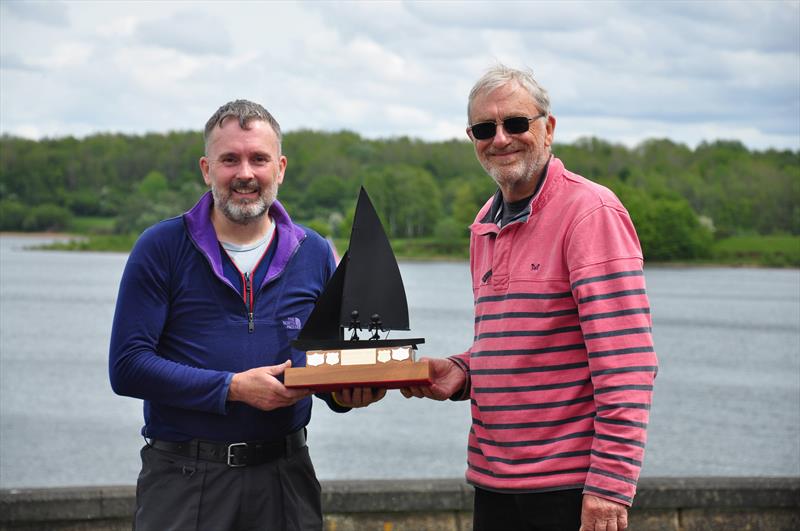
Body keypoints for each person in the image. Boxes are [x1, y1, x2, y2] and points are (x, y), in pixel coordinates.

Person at [401, 65, 658, 531]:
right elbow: (518, 344)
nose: (500, 139)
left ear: (548, 128)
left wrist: (609, 487)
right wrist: (462, 371)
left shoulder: (590, 213)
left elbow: (628, 363)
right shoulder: (485, 222)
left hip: (570, 491)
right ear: (472, 137)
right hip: (494, 486)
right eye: (485, 128)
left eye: (516, 123)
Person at [109, 99, 384, 531]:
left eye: (259, 158)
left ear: (281, 168)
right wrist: (232, 388)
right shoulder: (160, 247)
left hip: (286, 477)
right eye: (229, 159)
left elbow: (326, 366)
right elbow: (127, 368)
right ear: (206, 168)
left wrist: (348, 394)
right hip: (184, 479)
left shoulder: (313, 253)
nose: (245, 174)